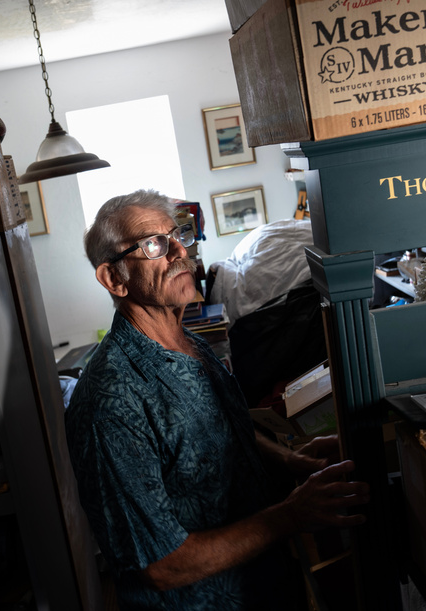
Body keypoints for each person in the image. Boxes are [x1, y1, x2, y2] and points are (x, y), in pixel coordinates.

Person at [65, 190, 369, 610]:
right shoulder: (110, 403)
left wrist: (292, 461)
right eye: (152, 244)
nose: (178, 251)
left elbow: (218, 428)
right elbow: (160, 564)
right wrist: (291, 515)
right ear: (113, 279)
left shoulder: (189, 343)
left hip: (269, 585)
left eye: (178, 235)